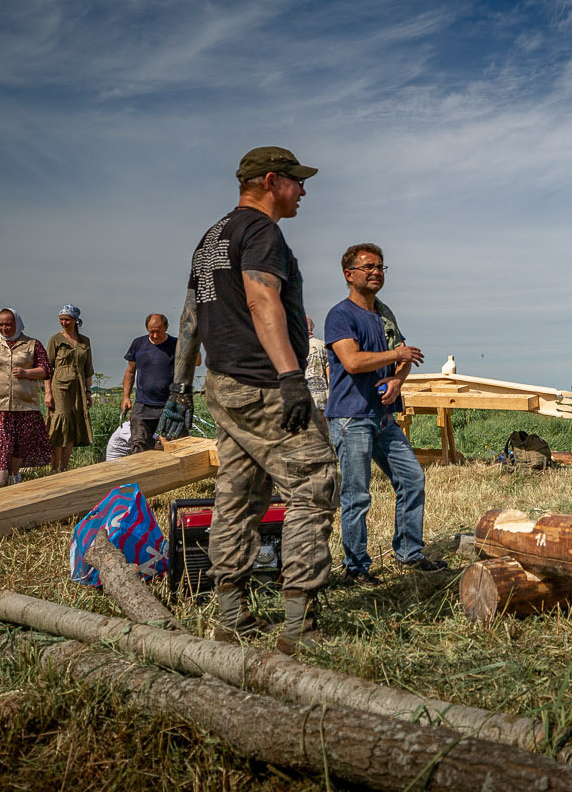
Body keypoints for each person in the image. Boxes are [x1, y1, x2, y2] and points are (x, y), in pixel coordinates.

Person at [181, 146, 339, 650]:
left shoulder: (211, 238)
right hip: (265, 384)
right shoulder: (262, 231)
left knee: (239, 493)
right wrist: (291, 376)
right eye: (297, 180)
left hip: (225, 384)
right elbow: (260, 297)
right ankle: (299, 625)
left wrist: (181, 386)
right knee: (313, 483)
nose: (303, 190)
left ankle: (231, 617)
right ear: (271, 181)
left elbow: (191, 315)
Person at [326, 243, 438, 584]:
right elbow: (352, 361)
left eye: (380, 267)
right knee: (357, 495)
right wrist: (396, 356)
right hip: (351, 417)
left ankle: (409, 553)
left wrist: (397, 381)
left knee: (412, 479)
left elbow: (404, 358)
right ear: (349, 274)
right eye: (368, 267)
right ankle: (356, 567)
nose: (376, 272)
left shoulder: (383, 316)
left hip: (382, 417)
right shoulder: (340, 316)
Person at [0, 309, 52, 487]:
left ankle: (14, 477)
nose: (4, 328)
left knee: (19, 444)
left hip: (25, 404)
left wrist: (27, 373)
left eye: (8, 324)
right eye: (1, 324)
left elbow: (45, 370)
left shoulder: (33, 344)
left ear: (17, 323)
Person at [46, 306, 94, 474]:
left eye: (67, 319)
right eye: (61, 319)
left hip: (78, 387)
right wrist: (48, 393)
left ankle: (64, 468)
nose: (64, 323)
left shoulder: (84, 341)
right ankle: (54, 468)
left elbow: (88, 369)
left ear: (75, 320)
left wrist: (88, 392)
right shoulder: (55, 340)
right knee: (60, 423)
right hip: (59, 386)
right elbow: (47, 368)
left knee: (73, 424)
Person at [121, 314, 178, 452]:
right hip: (143, 404)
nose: (155, 335)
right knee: (139, 442)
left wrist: (190, 343)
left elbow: (196, 362)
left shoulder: (176, 344)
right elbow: (130, 372)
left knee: (172, 443)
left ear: (166, 327)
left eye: (158, 331)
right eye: (151, 331)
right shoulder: (138, 344)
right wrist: (126, 397)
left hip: (169, 404)